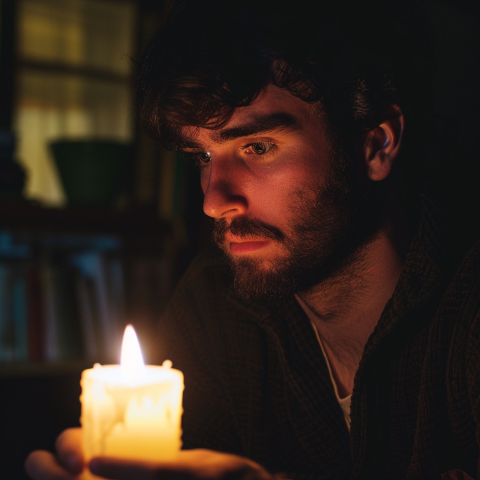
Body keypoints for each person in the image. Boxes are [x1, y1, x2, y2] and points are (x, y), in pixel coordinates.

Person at [25, 1, 480, 479]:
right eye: (202, 155)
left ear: (376, 145)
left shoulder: (467, 308)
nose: (214, 201)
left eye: (257, 148)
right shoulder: (215, 309)